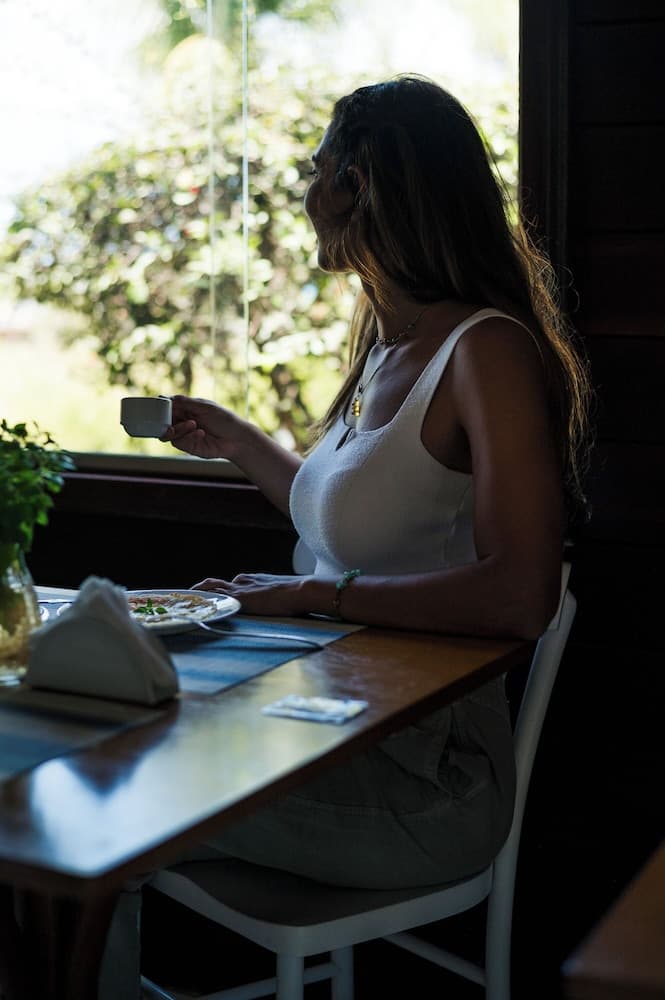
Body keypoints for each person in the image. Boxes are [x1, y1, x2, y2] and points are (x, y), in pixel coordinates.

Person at [100, 74, 592, 997]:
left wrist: (310, 596)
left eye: (314, 170)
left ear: (357, 185)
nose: (303, 191)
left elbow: (521, 594)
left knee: (100, 801)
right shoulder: (387, 346)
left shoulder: (485, 350)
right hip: (321, 722)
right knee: (93, 757)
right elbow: (354, 520)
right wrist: (240, 442)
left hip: (424, 773)